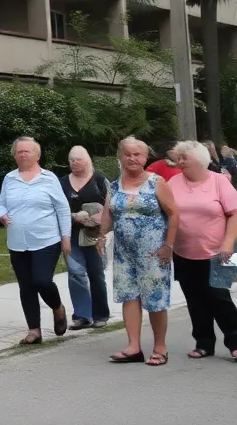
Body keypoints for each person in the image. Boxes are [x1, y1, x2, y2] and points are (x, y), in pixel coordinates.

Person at [101, 136, 178, 366]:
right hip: (124, 255)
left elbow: (174, 214)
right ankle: (133, 347)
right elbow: (108, 216)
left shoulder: (157, 182)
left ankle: (160, 348)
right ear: (121, 156)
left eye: (138, 154)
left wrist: (168, 246)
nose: (133, 158)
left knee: (155, 299)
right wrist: (99, 234)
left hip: (154, 253)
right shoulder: (114, 185)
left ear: (145, 157)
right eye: (128, 154)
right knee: (129, 297)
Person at [0, 137, 72, 345]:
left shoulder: (49, 179)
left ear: (37, 155)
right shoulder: (9, 179)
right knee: (26, 286)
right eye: (19, 152)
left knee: (41, 281)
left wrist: (66, 237)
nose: (23, 154)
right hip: (18, 242)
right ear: (14, 156)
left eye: (27, 151)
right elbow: (0, 204)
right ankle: (34, 330)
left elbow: (63, 209)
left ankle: (58, 308)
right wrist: (1, 213)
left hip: (47, 240)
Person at [165, 140, 237, 360]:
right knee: (194, 298)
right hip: (184, 252)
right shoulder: (172, 183)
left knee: (219, 296)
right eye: (178, 158)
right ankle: (204, 342)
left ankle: (234, 341)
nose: (180, 162)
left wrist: (228, 243)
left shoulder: (220, 181)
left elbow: (234, 213)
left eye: (184, 158)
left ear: (200, 159)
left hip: (220, 251)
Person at [60, 146, 111, 330]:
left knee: (96, 273)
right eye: (71, 160)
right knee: (75, 274)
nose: (74, 163)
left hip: (94, 235)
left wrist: (99, 219)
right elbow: (57, 207)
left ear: (87, 160)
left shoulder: (99, 180)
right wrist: (74, 217)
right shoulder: (63, 182)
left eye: (78, 159)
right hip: (72, 234)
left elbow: (111, 204)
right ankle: (82, 315)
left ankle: (100, 314)